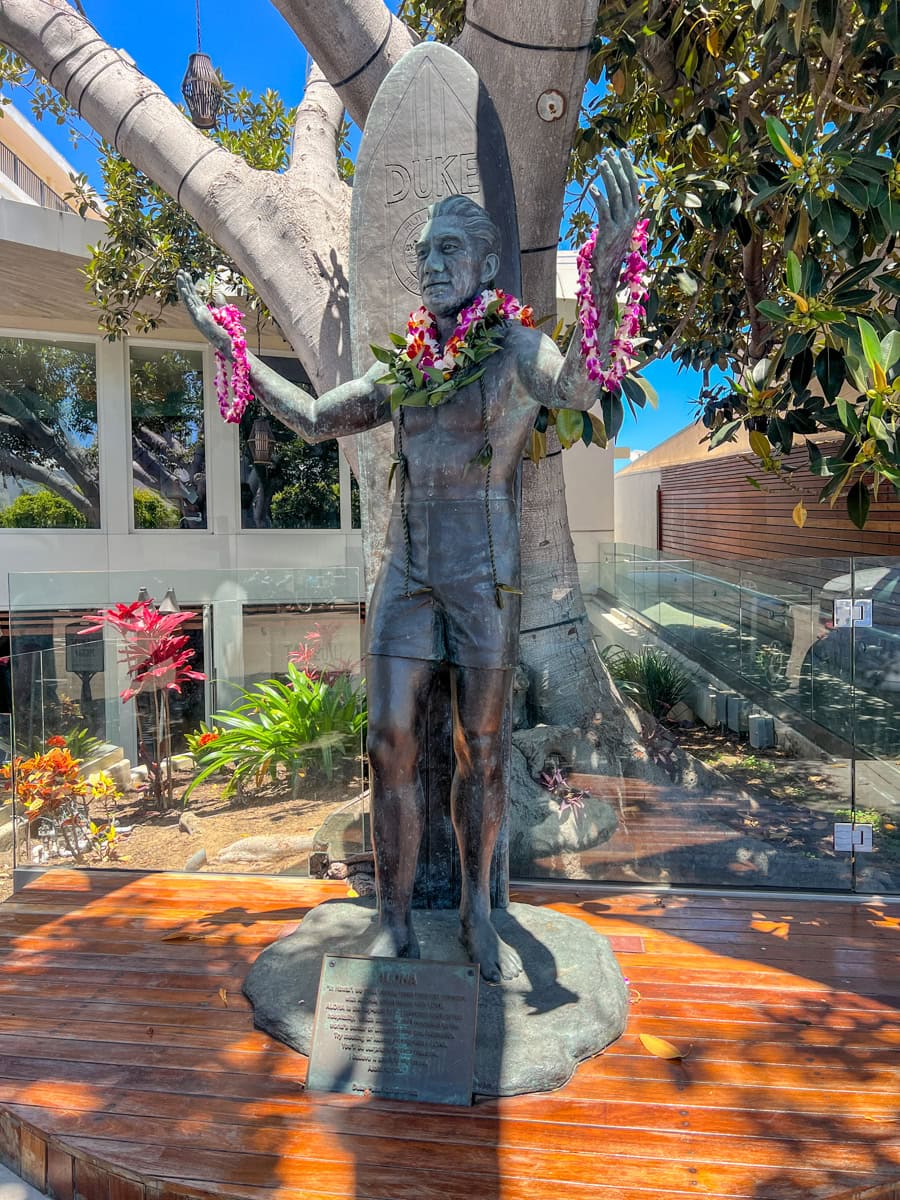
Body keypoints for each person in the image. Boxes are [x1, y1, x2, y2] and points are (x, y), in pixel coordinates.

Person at [178, 150, 639, 982]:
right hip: (408, 574)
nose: (428, 266)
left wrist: (601, 285)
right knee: (389, 741)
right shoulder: (411, 362)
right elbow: (320, 418)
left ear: (487, 266)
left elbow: (576, 390)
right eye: (422, 253)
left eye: (446, 253)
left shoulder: (515, 348)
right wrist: (236, 354)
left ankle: (477, 916)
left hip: (483, 581)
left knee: (484, 752)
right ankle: (390, 921)